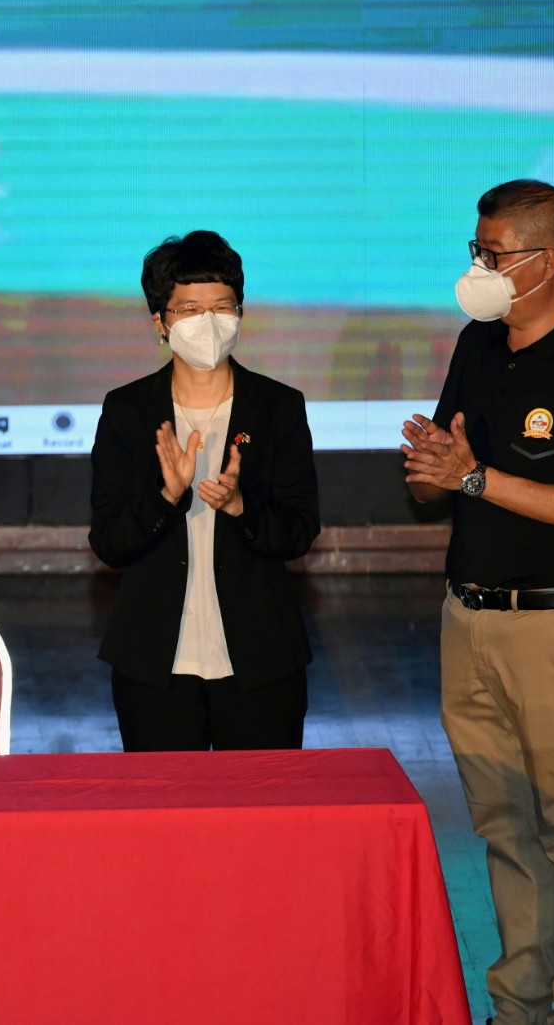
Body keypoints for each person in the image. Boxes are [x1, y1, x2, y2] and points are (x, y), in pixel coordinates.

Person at [402, 179, 554, 1025]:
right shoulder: (479, 344)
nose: (479, 269)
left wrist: (475, 476)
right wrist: (436, 468)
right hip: (468, 620)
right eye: (477, 251)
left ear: (550, 262)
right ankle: (519, 1003)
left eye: (494, 254)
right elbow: (448, 474)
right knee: (504, 824)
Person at [89, 230, 319, 751]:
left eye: (222, 307)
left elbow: (299, 532)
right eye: (190, 309)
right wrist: (165, 498)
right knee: (165, 803)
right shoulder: (127, 410)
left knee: (263, 801)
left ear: (241, 313)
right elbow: (108, 542)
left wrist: (241, 507)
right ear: (160, 322)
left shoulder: (278, 407)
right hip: (154, 665)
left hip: (261, 661)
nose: (208, 322)